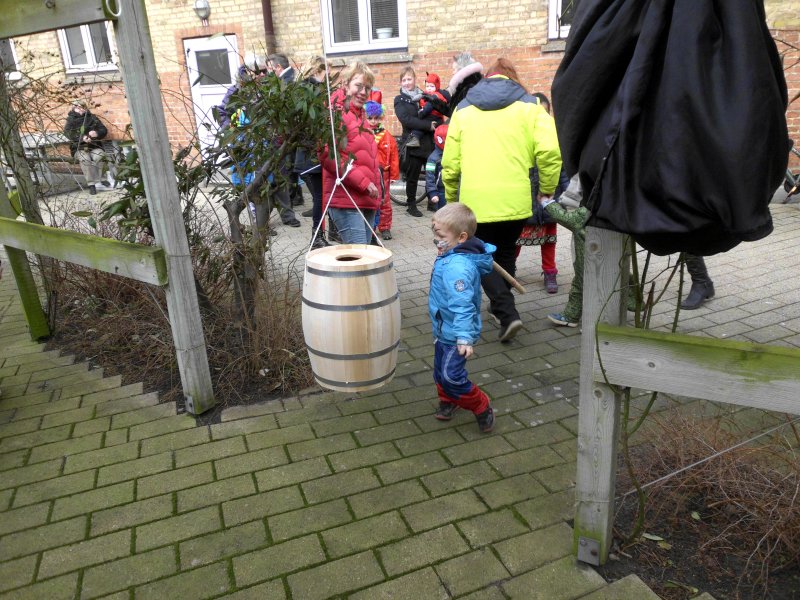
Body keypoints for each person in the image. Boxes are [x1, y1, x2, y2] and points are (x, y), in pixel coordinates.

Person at [442, 58, 562, 342]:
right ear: (513, 78)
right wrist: (547, 189)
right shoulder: (532, 107)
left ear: (488, 78)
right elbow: (550, 152)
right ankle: (500, 309)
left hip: (476, 203)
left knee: (478, 256)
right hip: (516, 202)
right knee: (505, 252)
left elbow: (451, 163)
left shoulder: (463, 109)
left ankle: (507, 312)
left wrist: (450, 198)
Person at [429, 203, 496, 433]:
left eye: (441, 236)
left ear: (462, 238)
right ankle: (448, 400)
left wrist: (464, 337)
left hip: (456, 333)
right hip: (443, 327)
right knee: (440, 372)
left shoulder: (457, 268)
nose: (436, 240)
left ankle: (480, 405)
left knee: (451, 376)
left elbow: (463, 305)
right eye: (435, 233)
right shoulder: (451, 253)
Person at [318, 61, 381, 244]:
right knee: (359, 256)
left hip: (366, 198)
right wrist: (364, 183)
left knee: (364, 256)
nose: (363, 92)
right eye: (358, 85)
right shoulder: (334, 112)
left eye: (367, 88)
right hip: (346, 198)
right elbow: (328, 155)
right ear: (346, 84)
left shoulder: (361, 116)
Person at [515, 92, 571, 294]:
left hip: (548, 199)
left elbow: (562, 171)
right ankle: (509, 269)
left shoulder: (555, 140)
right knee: (516, 238)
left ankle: (549, 272)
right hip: (525, 201)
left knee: (549, 239)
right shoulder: (520, 141)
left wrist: (568, 195)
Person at [394, 67, 439, 217]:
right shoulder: (399, 100)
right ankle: (411, 204)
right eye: (404, 80)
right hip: (413, 143)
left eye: (409, 79)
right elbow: (406, 120)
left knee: (432, 172)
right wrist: (427, 125)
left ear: (415, 79)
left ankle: (432, 202)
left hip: (429, 143)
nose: (407, 82)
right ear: (401, 82)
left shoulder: (424, 96)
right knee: (413, 176)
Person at [295, 56, 329, 249]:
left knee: (321, 196)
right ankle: (317, 237)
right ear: (317, 71)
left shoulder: (303, 90)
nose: (328, 77)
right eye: (326, 72)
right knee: (319, 197)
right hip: (312, 156)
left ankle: (321, 235)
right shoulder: (312, 92)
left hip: (308, 154)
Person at [365, 100, 400, 241]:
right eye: (370, 118)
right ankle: (370, 227)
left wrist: (394, 175)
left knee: (384, 201)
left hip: (383, 174)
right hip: (367, 173)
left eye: (376, 118)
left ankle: (385, 227)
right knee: (369, 200)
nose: (373, 121)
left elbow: (394, 156)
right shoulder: (362, 133)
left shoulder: (387, 136)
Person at [64, 100, 112, 194]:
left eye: (82, 107)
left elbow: (103, 130)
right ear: (73, 109)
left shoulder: (92, 117)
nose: (80, 109)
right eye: (77, 107)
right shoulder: (70, 120)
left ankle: (100, 179)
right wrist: (82, 138)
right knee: (85, 159)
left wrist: (96, 133)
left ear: (85, 108)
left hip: (94, 146)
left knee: (100, 156)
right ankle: (91, 184)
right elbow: (68, 133)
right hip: (79, 148)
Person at [414, 73, 451, 144]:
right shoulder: (425, 94)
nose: (429, 88)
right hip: (430, 115)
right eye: (427, 86)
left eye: (432, 86)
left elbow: (428, 107)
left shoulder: (435, 96)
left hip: (434, 116)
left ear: (436, 87)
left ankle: (415, 137)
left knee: (420, 126)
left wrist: (421, 114)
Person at [425, 124, 448, 212]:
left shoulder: (453, 153)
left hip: (452, 188)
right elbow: (429, 176)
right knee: (443, 213)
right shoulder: (433, 158)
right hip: (441, 191)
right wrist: (432, 193)